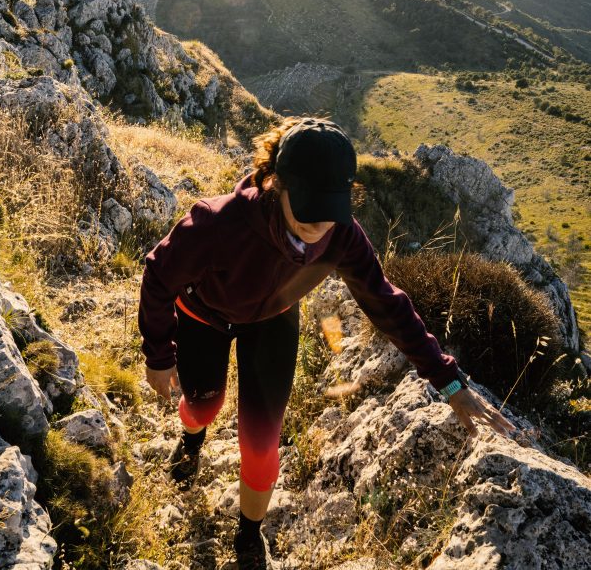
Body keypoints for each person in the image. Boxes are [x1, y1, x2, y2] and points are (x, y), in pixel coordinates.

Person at [139, 117, 514, 569]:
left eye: (330, 207)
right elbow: (159, 276)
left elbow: (388, 305)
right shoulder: (218, 222)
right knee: (204, 406)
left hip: (273, 322)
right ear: (276, 182)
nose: (319, 223)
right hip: (203, 315)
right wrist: (159, 355)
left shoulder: (343, 236)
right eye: (310, 206)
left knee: (261, 445)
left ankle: (248, 535)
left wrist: (450, 382)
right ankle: (193, 439)